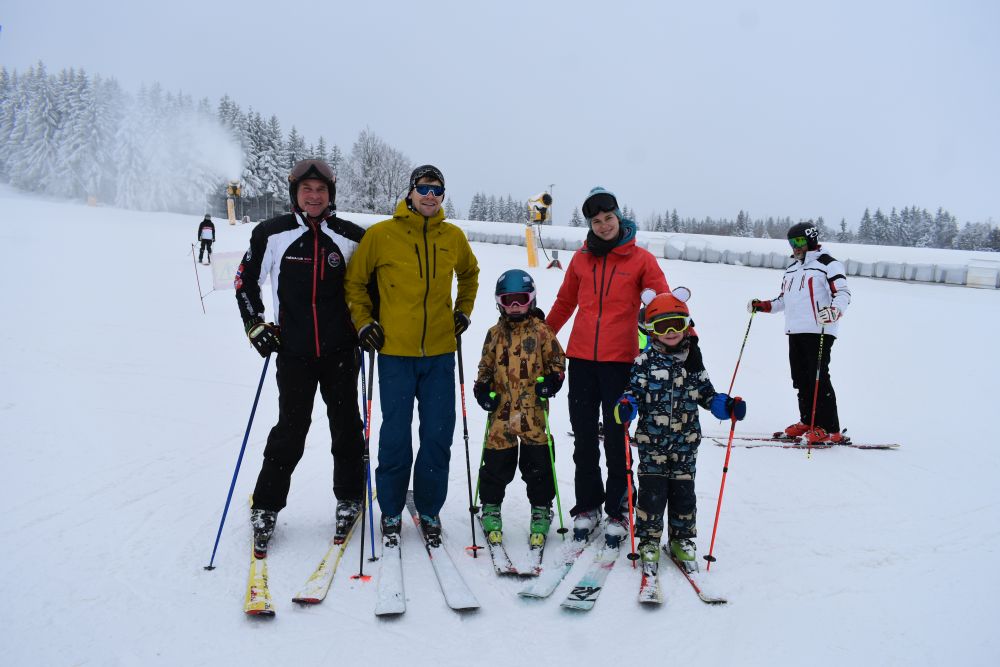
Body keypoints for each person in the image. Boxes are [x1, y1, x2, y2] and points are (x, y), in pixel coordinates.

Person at [234, 159, 367, 558]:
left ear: (331, 195)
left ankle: (349, 498)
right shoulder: (271, 233)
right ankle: (266, 506)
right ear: (295, 193)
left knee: (346, 428)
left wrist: (368, 325)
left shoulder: (350, 237)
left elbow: (369, 288)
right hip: (293, 353)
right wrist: (255, 324)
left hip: (341, 352)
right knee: (290, 431)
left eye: (321, 190)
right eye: (307, 190)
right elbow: (245, 281)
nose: (314, 197)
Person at [344, 164, 480, 545]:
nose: (430, 196)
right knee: (395, 437)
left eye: (437, 190)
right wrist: (364, 322)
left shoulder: (452, 237)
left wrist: (463, 310)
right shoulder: (381, 235)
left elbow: (470, 274)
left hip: (439, 353)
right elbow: (354, 282)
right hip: (394, 354)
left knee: (438, 435)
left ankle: (430, 508)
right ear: (410, 191)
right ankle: (389, 509)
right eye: (424, 188)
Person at [546, 186, 670, 547]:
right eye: (596, 221)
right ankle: (587, 507)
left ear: (619, 217)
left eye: (608, 218)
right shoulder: (581, 259)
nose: (603, 226)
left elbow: (663, 301)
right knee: (584, 437)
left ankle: (619, 507)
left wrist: (686, 335)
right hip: (581, 360)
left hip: (621, 363)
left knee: (616, 438)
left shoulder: (641, 260)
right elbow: (565, 301)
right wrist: (543, 335)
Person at [613, 288, 746, 571]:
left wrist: (728, 407)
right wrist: (625, 407)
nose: (671, 331)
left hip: (686, 443)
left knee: (684, 493)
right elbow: (632, 394)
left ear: (687, 326)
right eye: (663, 326)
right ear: (651, 330)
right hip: (652, 443)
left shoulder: (693, 361)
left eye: (677, 324)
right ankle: (649, 540)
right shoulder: (643, 363)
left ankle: (681, 539)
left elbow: (707, 395)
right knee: (652, 492)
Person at [472, 269, 566, 547]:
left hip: (532, 413)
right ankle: (490, 506)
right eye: (508, 300)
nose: (514, 306)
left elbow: (557, 363)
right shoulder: (494, 334)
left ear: (531, 300)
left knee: (538, 463)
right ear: (499, 302)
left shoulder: (542, 332)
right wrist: (482, 389)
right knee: (496, 463)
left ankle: (540, 508)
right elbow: (485, 367)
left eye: (521, 300)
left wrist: (552, 381)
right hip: (501, 412)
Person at [748, 220, 852, 444]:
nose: (795, 246)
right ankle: (808, 421)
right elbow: (784, 300)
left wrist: (835, 311)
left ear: (811, 240)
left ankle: (830, 428)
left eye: (799, 241)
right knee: (801, 379)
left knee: (818, 378)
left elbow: (843, 293)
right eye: (792, 242)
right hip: (795, 330)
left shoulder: (828, 264)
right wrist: (764, 305)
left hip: (819, 330)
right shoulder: (792, 268)